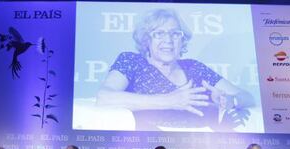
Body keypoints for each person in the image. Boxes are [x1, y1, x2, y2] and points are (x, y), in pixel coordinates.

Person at [97, 8, 254, 131]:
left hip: (200, 147)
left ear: (182, 39)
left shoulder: (194, 67)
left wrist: (229, 100)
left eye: (175, 34)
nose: (168, 40)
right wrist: (170, 100)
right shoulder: (132, 61)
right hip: (149, 147)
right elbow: (104, 98)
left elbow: (247, 96)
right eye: (159, 33)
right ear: (146, 39)